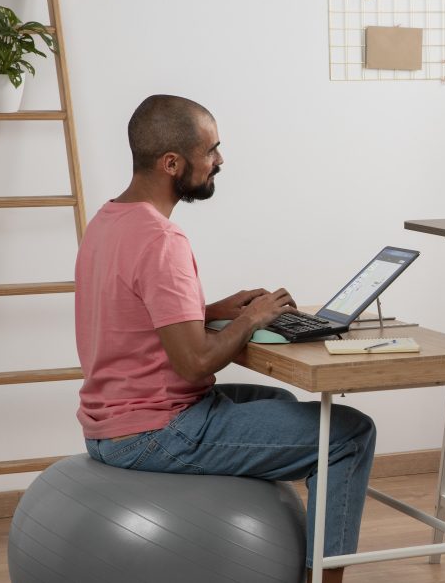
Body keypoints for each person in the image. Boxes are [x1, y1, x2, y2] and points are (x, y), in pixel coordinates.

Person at [74, 94, 374, 583]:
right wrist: (251, 319)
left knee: (279, 400)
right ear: (172, 163)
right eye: (210, 151)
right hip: (154, 433)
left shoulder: (107, 222)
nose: (219, 161)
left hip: (109, 424)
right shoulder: (161, 240)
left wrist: (212, 311)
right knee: (346, 435)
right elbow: (194, 364)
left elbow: (131, 316)